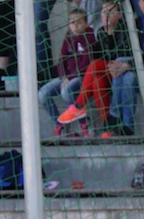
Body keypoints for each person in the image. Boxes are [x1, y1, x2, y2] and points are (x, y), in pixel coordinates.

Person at [57, 1, 132, 137]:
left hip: (122, 71)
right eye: (104, 13)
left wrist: (112, 37)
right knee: (97, 81)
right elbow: (62, 59)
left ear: (120, 15)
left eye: (110, 12)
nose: (106, 16)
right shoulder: (101, 32)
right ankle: (108, 127)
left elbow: (119, 56)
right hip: (108, 71)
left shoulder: (125, 31)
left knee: (94, 65)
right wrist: (64, 76)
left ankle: (78, 106)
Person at [102, 0, 144, 137]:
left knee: (129, 74)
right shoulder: (136, 22)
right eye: (143, 0)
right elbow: (127, 49)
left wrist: (130, 65)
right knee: (123, 69)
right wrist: (120, 64)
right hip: (141, 67)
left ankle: (117, 116)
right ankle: (124, 124)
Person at [37, 8, 96, 137]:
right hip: (67, 77)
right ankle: (60, 125)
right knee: (42, 94)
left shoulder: (90, 37)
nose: (75, 26)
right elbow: (62, 59)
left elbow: (86, 63)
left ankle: (84, 123)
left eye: (79, 22)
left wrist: (69, 78)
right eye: (72, 22)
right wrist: (63, 76)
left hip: (82, 76)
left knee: (66, 91)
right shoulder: (68, 37)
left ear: (86, 23)